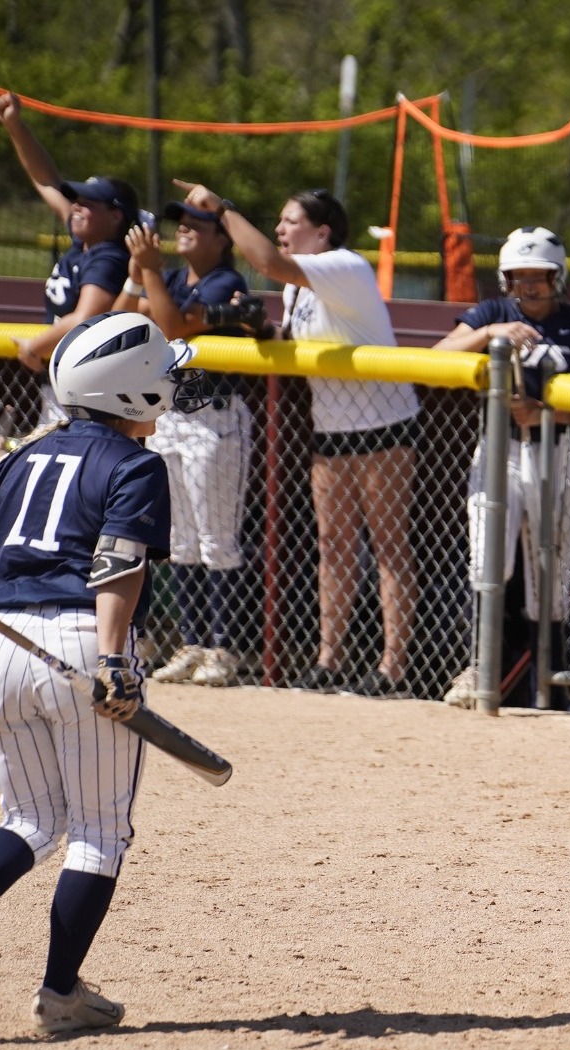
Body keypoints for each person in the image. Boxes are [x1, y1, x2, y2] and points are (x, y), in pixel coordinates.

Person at [0, 310, 205, 1035]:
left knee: (29, 820)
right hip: (85, 638)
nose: (172, 381)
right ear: (132, 391)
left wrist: (6, 647)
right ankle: (58, 995)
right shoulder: (136, 464)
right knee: (99, 832)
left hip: (2, 643)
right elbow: (118, 567)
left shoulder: (15, 457)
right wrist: (115, 661)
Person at [172, 180, 419, 696]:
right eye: (279, 221)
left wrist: (224, 207)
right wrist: (257, 327)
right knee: (334, 546)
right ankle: (331, 660)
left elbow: (268, 261)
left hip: (383, 426)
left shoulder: (345, 264)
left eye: (290, 221)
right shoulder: (297, 286)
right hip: (330, 426)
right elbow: (291, 339)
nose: (280, 229)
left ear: (322, 232)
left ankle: (393, 667)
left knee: (388, 547)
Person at [432, 226, 570, 708]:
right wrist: (490, 333)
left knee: (549, 574)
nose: (529, 286)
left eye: (539, 276)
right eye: (519, 277)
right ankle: (480, 669)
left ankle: (549, 681)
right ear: (505, 279)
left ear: (557, 278)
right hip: (499, 451)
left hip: (555, 450)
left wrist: (547, 411)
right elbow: (435, 357)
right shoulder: (493, 313)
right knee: (488, 560)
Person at [117, 202, 271, 688]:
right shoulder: (178, 284)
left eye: (196, 225)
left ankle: (222, 649)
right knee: (180, 540)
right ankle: (192, 643)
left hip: (215, 419)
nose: (182, 229)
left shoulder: (224, 281)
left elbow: (172, 327)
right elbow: (122, 319)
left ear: (221, 238)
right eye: (178, 222)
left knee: (215, 539)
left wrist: (154, 276)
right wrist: (141, 276)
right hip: (173, 417)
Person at [0, 92, 139, 411]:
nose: (75, 207)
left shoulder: (109, 256)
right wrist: (15, 126)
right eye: (75, 201)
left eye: (87, 204)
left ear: (115, 216)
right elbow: (46, 181)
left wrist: (35, 346)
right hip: (69, 378)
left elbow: (86, 318)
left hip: (88, 388)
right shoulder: (83, 243)